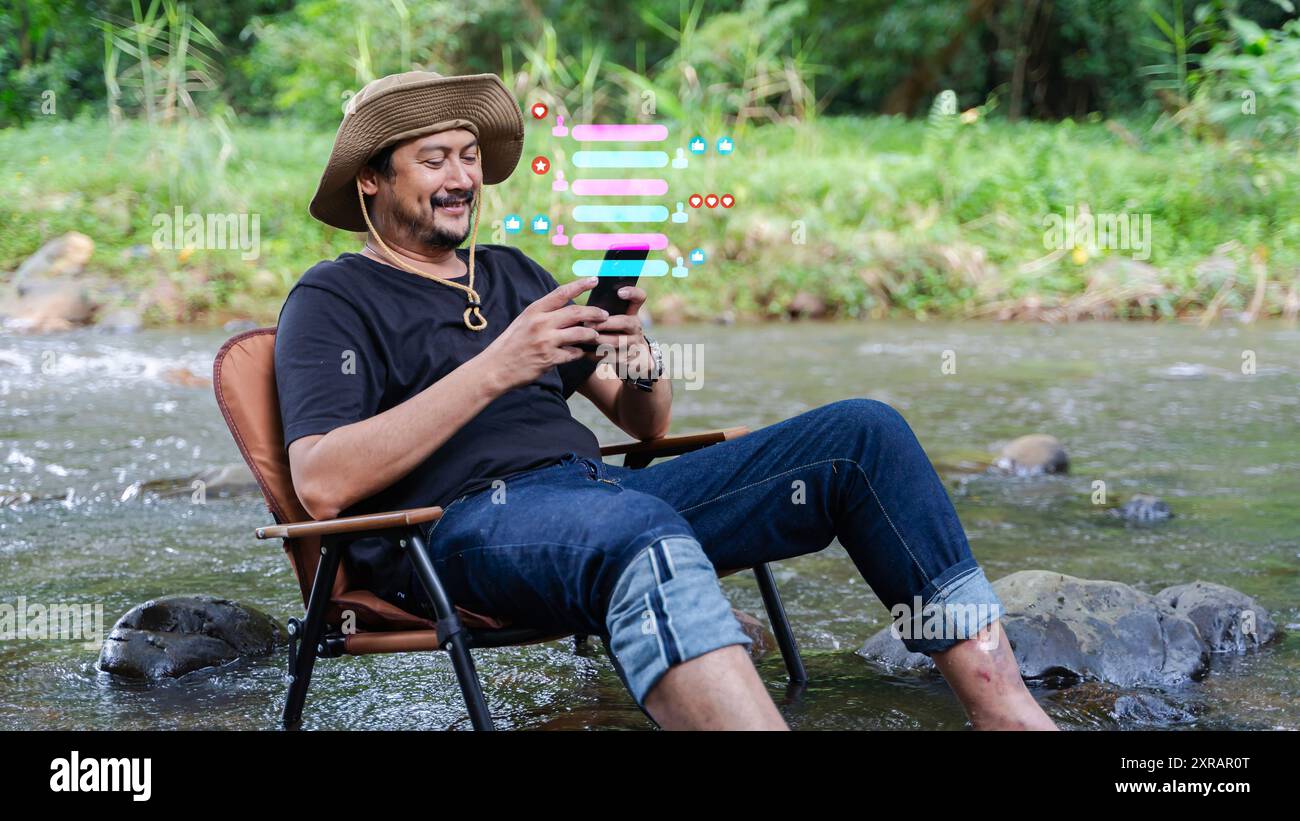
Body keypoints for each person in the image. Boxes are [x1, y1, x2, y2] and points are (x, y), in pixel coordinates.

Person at [274, 70, 1057, 731]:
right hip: (461, 529)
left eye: (471, 156)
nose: (462, 178)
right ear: (372, 178)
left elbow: (645, 421)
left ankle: (1008, 713)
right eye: (435, 158)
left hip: (599, 494)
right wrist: (497, 365)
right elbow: (321, 480)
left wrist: (635, 351)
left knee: (864, 435)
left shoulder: (514, 272)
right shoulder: (333, 298)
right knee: (632, 524)